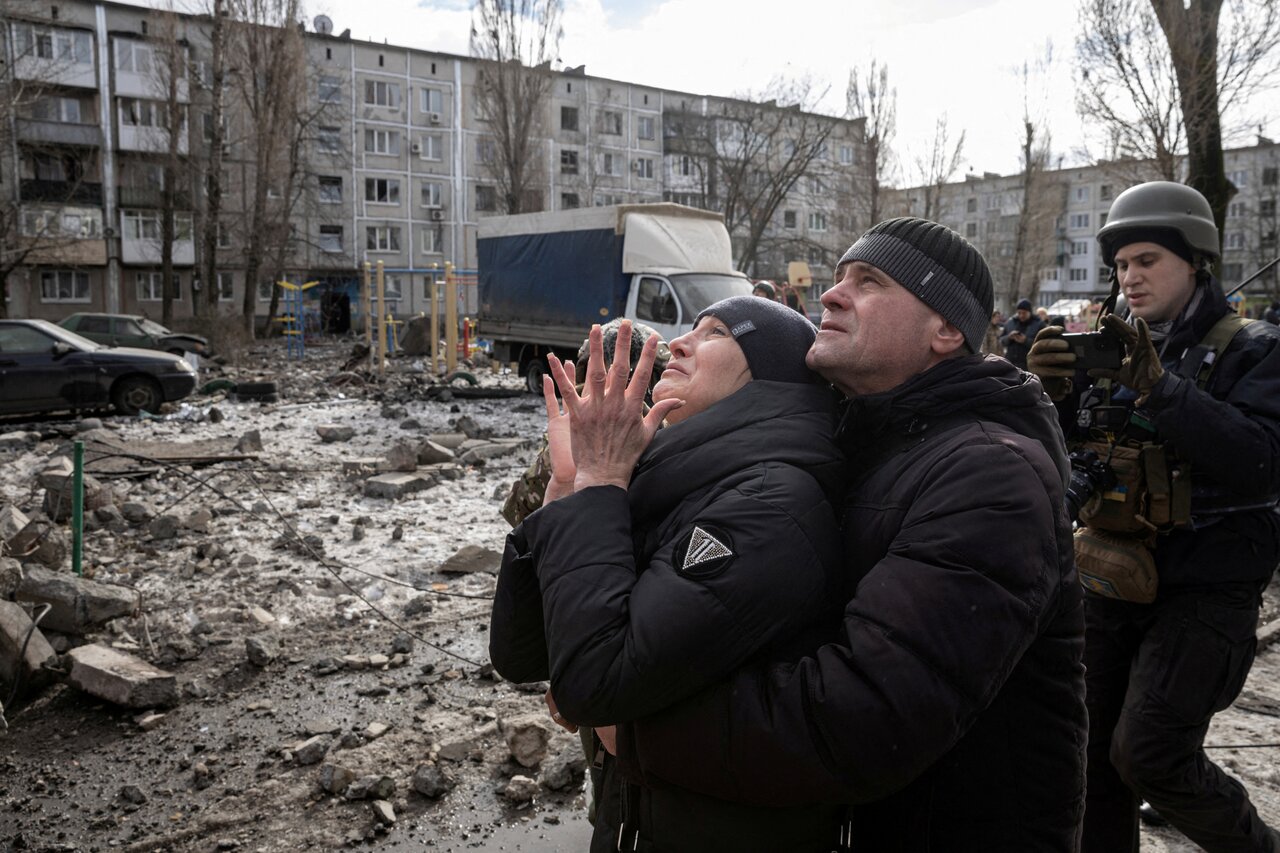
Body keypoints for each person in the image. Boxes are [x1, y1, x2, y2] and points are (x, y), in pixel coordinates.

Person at [550, 217, 1087, 852]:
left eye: (870, 281)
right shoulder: (873, 442)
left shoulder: (991, 473)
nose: (832, 294)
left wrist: (631, 726)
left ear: (946, 329)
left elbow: (863, 718)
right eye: (838, 278)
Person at [489, 297, 848, 851]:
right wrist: (568, 488)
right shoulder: (673, 476)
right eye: (692, 327)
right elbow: (525, 656)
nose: (680, 342)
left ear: (770, 378)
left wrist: (602, 481)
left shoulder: (772, 501)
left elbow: (594, 682)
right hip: (637, 815)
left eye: (718, 332)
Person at [1027, 180, 1280, 853]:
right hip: (1111, 573)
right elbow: (1069, 458)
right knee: (1086, 755)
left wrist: (1162, 389)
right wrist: (1047, 398)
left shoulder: (1252, 348)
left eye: (1147, 260)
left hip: (1205, 585)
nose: (1129, 277)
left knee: (1149, 754)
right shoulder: (1108, 349)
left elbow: (1261, 461)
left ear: (1195, 259)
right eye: (1119, 265)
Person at [1001, 297, 1045, 368]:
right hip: (1011, 365)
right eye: (1019, 313)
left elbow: (1043, 345)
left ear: (1029, 312)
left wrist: (1025, 340)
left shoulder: (1039, 324)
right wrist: (1009, 337)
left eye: (1024, 313)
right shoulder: (1010, 323)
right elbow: (1001, 341)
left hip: (1030, 366)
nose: (1021, 315)